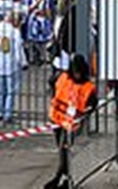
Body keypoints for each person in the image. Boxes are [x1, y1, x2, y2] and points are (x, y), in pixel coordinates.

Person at [44, 53, 97, 189]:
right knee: (63, 151)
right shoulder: (63, 78)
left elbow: (92, 104)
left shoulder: (88, 87)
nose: (77, 75)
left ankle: (59, 178)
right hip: (57, 120)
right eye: (75, 71)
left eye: (79, 72)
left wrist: (83, 114)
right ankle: (66, 178)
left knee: (64, 150)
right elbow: (52, 84)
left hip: (71, 124)